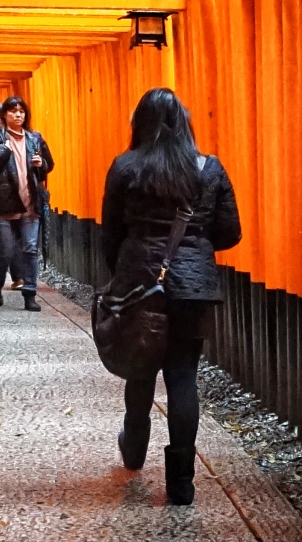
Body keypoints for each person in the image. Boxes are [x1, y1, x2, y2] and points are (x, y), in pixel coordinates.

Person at [100, 88, 241, 506]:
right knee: (183, 377)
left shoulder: (126, 167)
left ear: (138, 123)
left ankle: (135, 445)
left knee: (140, 365)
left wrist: (122, 275)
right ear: (185, 122)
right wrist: (195, 243)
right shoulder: (207, 168)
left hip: (140, 278)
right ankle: (181, 481)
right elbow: (230, 232)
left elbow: (111, 232)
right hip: (193, 287)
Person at [0, 97, 53, 311]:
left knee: (30, 249)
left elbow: (49, 165)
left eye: (21, 111)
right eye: (13, 111)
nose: (18, 115)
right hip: (3, 205)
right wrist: (4, 151)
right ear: (4, 115)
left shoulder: (34, 139)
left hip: (30, 203)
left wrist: (42, 164)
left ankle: (30, 293)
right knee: (7, 251)